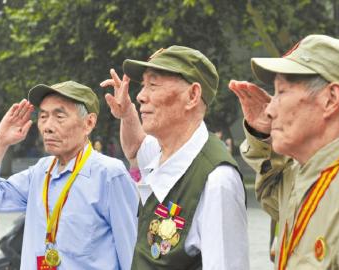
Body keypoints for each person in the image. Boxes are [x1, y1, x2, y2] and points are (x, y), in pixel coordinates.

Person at [101, 46, 249, 269]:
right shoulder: (163, 149)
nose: (140, 96)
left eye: (153, 84)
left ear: (192, 95)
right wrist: (127, 113)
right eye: (143, 86)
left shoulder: (217, 181)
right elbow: (135, 149)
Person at [0, 81, 138, 270]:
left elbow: (130, 252)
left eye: (59, 116)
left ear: (89, 123)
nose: (47, 127)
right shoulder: (40, 172)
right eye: (43, 116)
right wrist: (0, 142)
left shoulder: (109, 175)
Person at [229, 35, 339, 269]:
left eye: (281, 92)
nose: (269, 108)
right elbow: (273, 195)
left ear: (330, 99)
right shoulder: (313, 169)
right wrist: (263, 136)